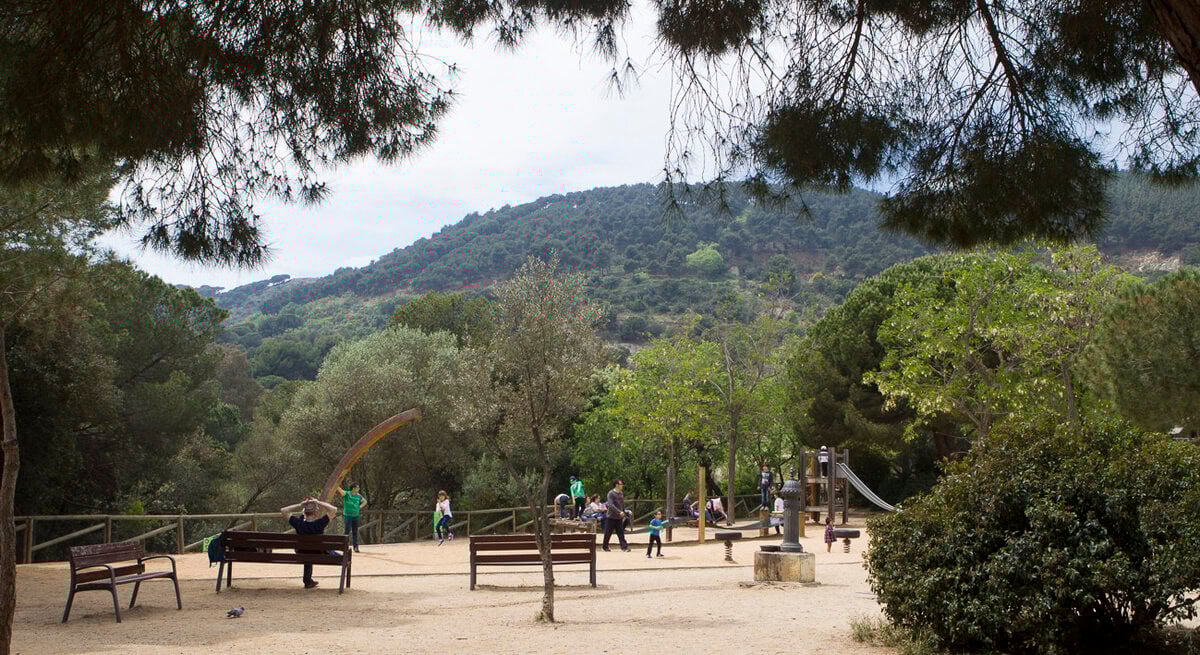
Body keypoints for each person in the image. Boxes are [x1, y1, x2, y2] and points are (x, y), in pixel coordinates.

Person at [280, 496, 338, 589]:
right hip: (319, 554)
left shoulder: (299, 524)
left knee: (308, 552)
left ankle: (308, 581)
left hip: (302, 553)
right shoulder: (320, 523)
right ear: (315, 514)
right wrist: (318, 502)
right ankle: (308, 581)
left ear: (305, 513)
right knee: (325, 551)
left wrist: (300, 505)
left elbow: (283, 510)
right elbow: (334, 509)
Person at [335, 481, 367, 553]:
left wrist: (359, 507)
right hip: (348, 516)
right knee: (347, 531)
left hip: (356, 516)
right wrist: (336, 484)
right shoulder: (347, 494)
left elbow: (365, 501)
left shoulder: (359, 496)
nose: (359, 488)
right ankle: (344, 547)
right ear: (353, 488)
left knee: (355, 531)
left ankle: (356, 547)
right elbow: (341, 491)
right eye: (357, 487)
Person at [603, 479, 629, 552]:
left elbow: (622, 504)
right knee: (608, 533)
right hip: (611, 517)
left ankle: (624, 547)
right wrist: (619, 512)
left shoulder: (621, 493)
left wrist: (623, 512)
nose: (622, 485)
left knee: (621, 533)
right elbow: (610, 505)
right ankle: (605, 547)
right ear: (616, 485)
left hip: (619, 518)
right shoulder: (610, 493)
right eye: (621, 484)